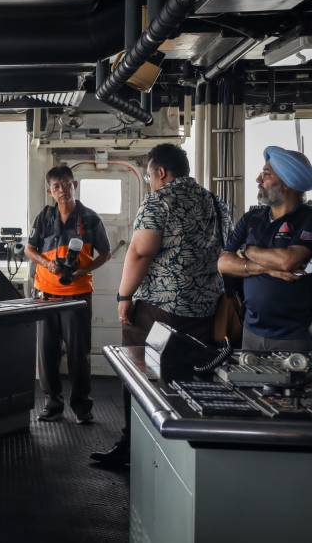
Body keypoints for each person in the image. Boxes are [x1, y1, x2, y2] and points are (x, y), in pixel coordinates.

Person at [90, 143, 230, 468]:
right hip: (204, 309)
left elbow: (140, 252)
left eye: (150, 175)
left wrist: (124, 297)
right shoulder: (214, 201)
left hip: (161, 310)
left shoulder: (159, 200)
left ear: (161, 172)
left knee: (139, 376)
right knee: (189, 381)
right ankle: (180, 454)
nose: (150, 181)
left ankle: (132, 447)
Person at [25, 166, 111, 424]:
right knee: (47, 353)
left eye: (66, 184)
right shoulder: (44, 217)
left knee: (78, 353)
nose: (62, 190)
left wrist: (82, 270)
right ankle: (52, 405)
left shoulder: (91, 218)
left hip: (77, 295)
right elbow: (29, 249)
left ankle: (82, 407)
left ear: (75, 185)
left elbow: (105, 253)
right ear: (50, 191)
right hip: (46, 295)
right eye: (56, 187)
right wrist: (46, 262)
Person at [218, 146, 312, 351]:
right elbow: (223, 263)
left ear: (288, 183)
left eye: (266, 174)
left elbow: (288, 261)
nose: (258, 180)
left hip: (294, 336)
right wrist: (267, 268)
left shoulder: (308, 219)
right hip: (251, 332)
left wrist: (248, 251)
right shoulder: (253, 217)